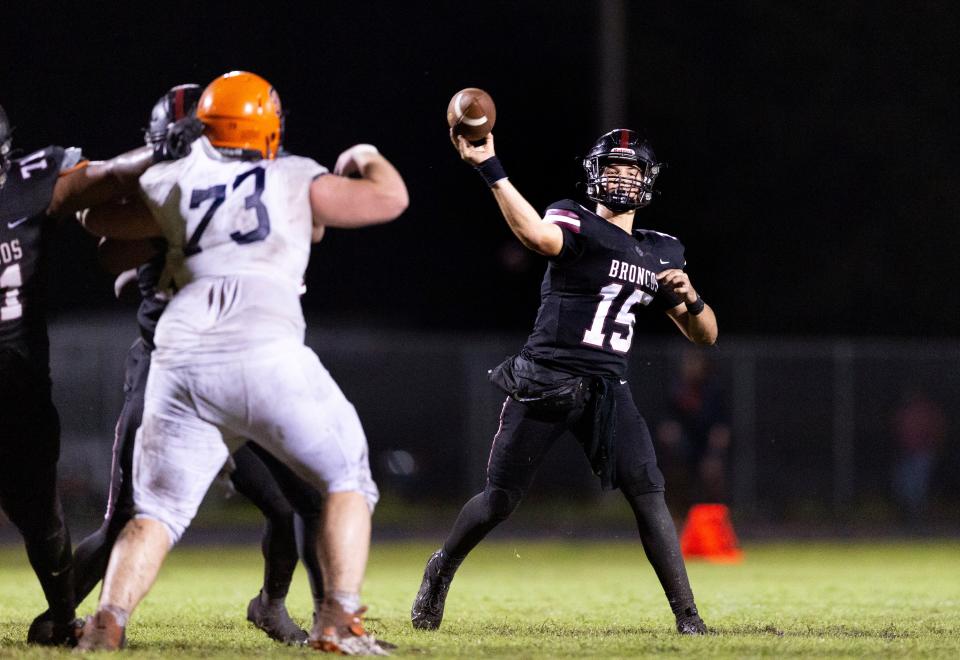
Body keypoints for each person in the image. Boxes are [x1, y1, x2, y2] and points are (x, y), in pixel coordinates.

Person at [75, 71, 408, 654]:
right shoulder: (290, 172)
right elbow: (388, 199)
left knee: (157, 513)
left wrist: (149, 166)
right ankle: (338, 619)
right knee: (347, 478)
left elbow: (96, 218)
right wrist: (366, 154)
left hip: (179, 357)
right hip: (260, 343)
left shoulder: (174, 176)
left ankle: (106, 622)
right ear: (267, 126)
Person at [411, 127, 717, 635]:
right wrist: (490, 168)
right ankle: (440, 568)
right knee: (499, 500)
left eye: (631, 169)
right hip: (549, 379)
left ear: (647, 182)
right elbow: (536, 236)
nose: (622, 177)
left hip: (610, 391)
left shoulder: (661, 251)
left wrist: (693, 296)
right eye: (613, 167)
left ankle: (688, 616)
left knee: (648, 492)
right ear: (595, 174)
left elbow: (703, 337)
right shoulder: (573, 218)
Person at [0, 101, 177, 645]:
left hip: (15, 381)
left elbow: (106, 178)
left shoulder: (31, 181)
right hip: (19, 379)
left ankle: (60, 611)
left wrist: (164, 152)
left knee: (42, 517)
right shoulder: (27, 179)